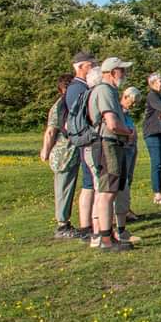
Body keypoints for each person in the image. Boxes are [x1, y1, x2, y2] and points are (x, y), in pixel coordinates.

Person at [87, 57, 136, 252]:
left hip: (112, 143)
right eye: (121, 70)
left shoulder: (109, 91)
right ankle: (106, 239)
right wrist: (128, 132)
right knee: (107, 192)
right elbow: (112, 123)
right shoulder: (104, 91)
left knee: (110, 190)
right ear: (112, 72)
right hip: (108, 144)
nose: (123, 74)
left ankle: (107, 235)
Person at [41, 74, 78, 239]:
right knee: (63, 188)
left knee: (66, 187)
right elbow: (50, 131)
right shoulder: (61, 106)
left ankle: (65, 222)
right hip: (64, 154)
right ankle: (63, 225)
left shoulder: (64, 103)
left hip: (68, 153)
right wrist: (45, 151)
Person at [65, 51, 97, 240]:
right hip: (86, 139)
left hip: (85, 138)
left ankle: (91, 223)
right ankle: (86, 225)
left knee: (91, 182)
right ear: (81, 67)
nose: (93, 68)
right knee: (88, 183)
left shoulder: (79, 87)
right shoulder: (78, 88)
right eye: (91, 65)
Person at [113, 86, 141, 244]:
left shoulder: (126, 112)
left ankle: (125, 210)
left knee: (128, 180)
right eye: (133, 101)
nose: (134, 105)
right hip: (124, 148)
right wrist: (129, 135)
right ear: (126, 97)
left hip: (131, 148)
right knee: (122, 182)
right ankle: (118, 216)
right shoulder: (119, 111)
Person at [143, 72, 161, 205]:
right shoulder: (152, 96)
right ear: (153, 83)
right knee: (157, 163)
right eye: (160, 81)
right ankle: (157, 194)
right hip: (153, 133)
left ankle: (159, 191)